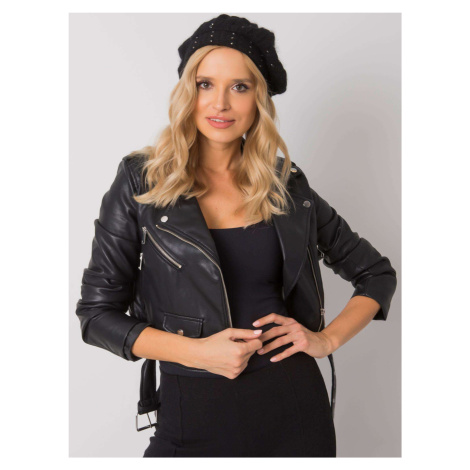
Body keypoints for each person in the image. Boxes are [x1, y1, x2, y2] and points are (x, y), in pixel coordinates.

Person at [75, 14, 397, 458]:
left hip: (295, 410)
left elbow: (376, 274)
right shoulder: (141, 181)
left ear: (258, 99)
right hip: (191, 414)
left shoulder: (286, 186)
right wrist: (197, 353)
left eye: (240, 87)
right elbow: (96, 315)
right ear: (187, 92)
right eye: (205, 84)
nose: (220, 103)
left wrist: (326, 340)